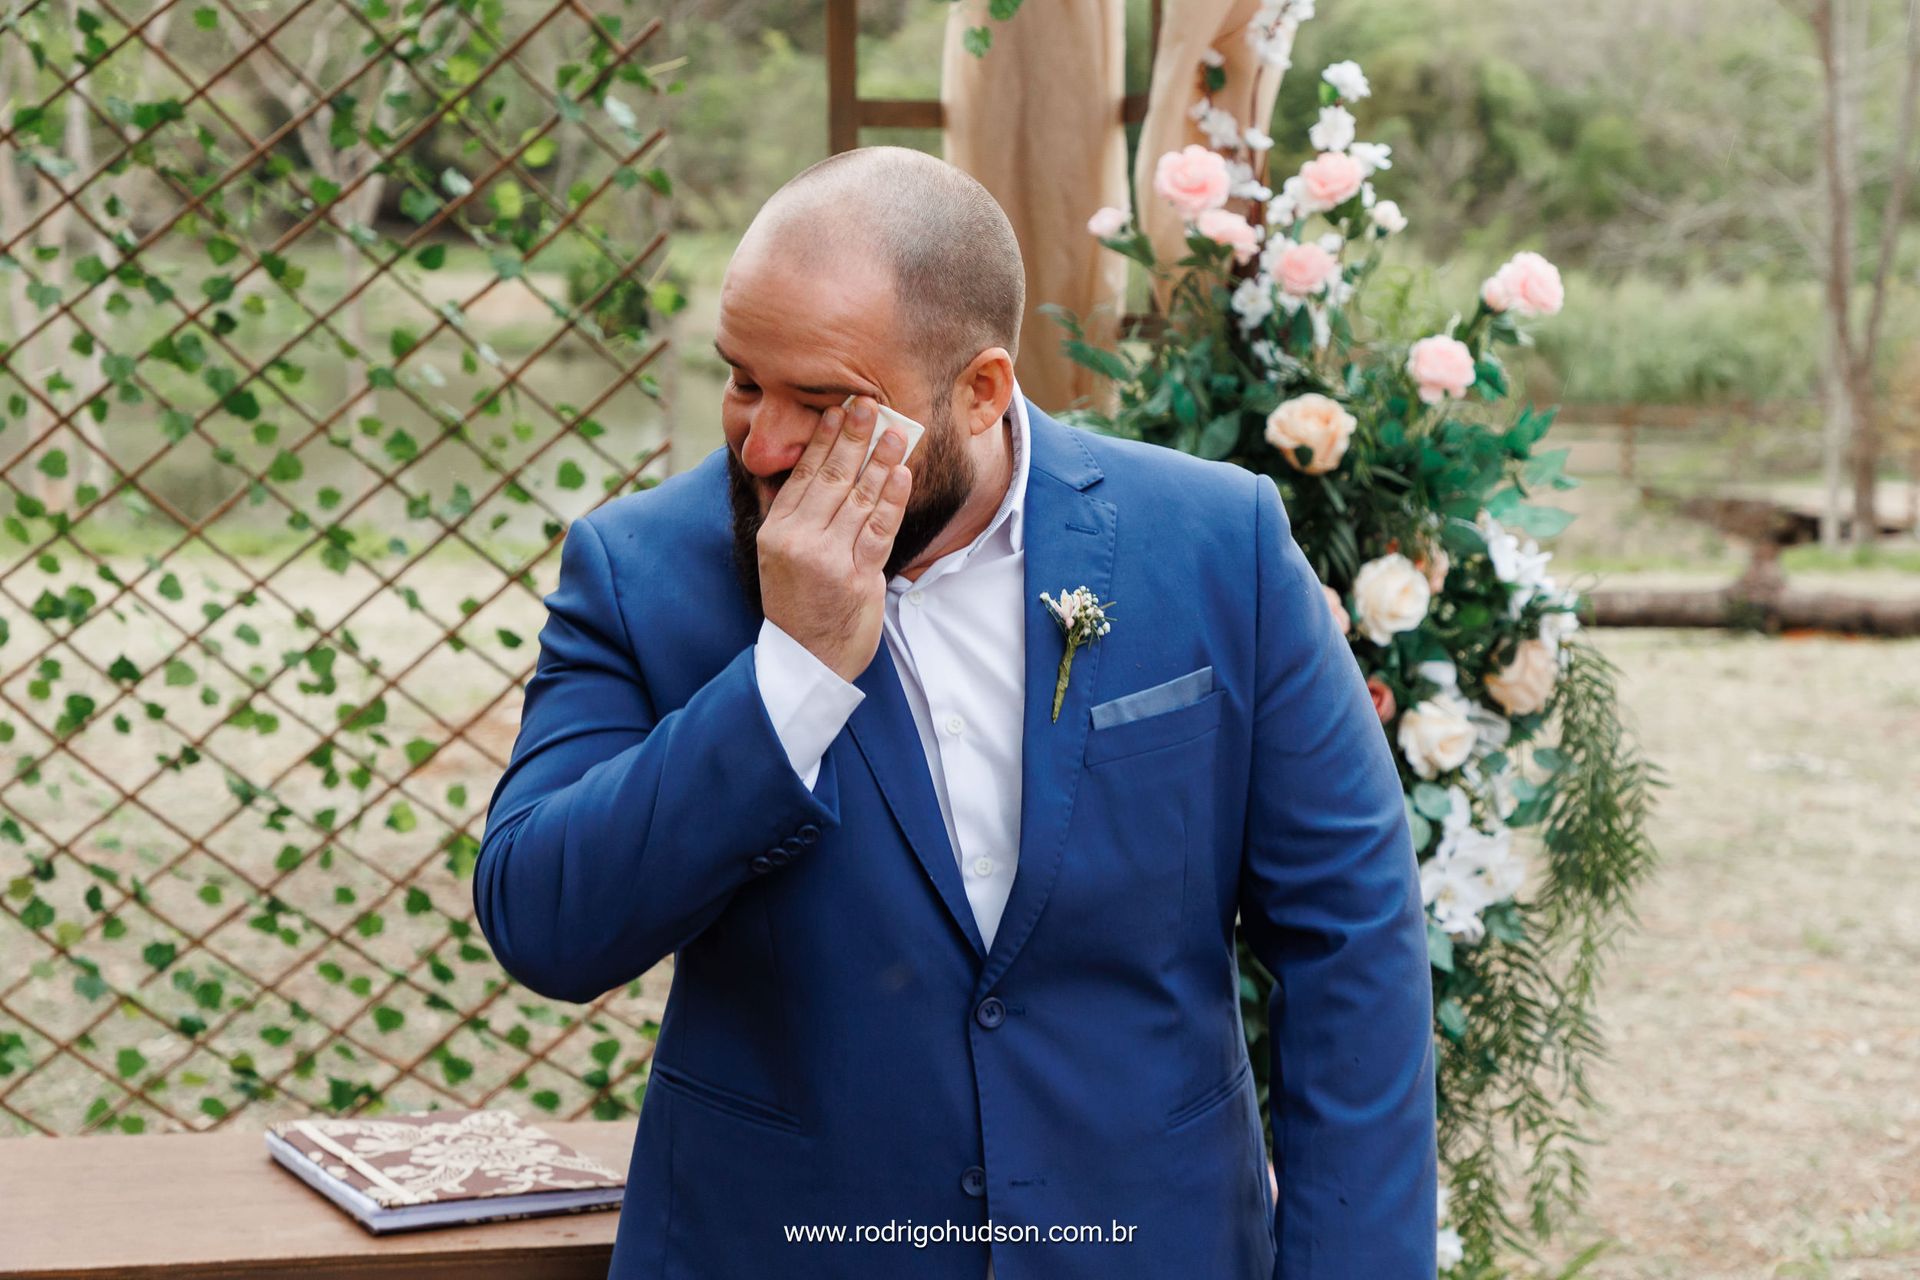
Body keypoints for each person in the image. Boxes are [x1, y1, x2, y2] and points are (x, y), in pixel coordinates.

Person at [475, 144, 1437, 1279]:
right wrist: (791, 673)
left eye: (823, 402)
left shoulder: (1219, 544)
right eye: (743, 379)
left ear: (980, 389)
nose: (764, 443)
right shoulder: (640, 570)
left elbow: (1353, 941)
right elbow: (544, 920)